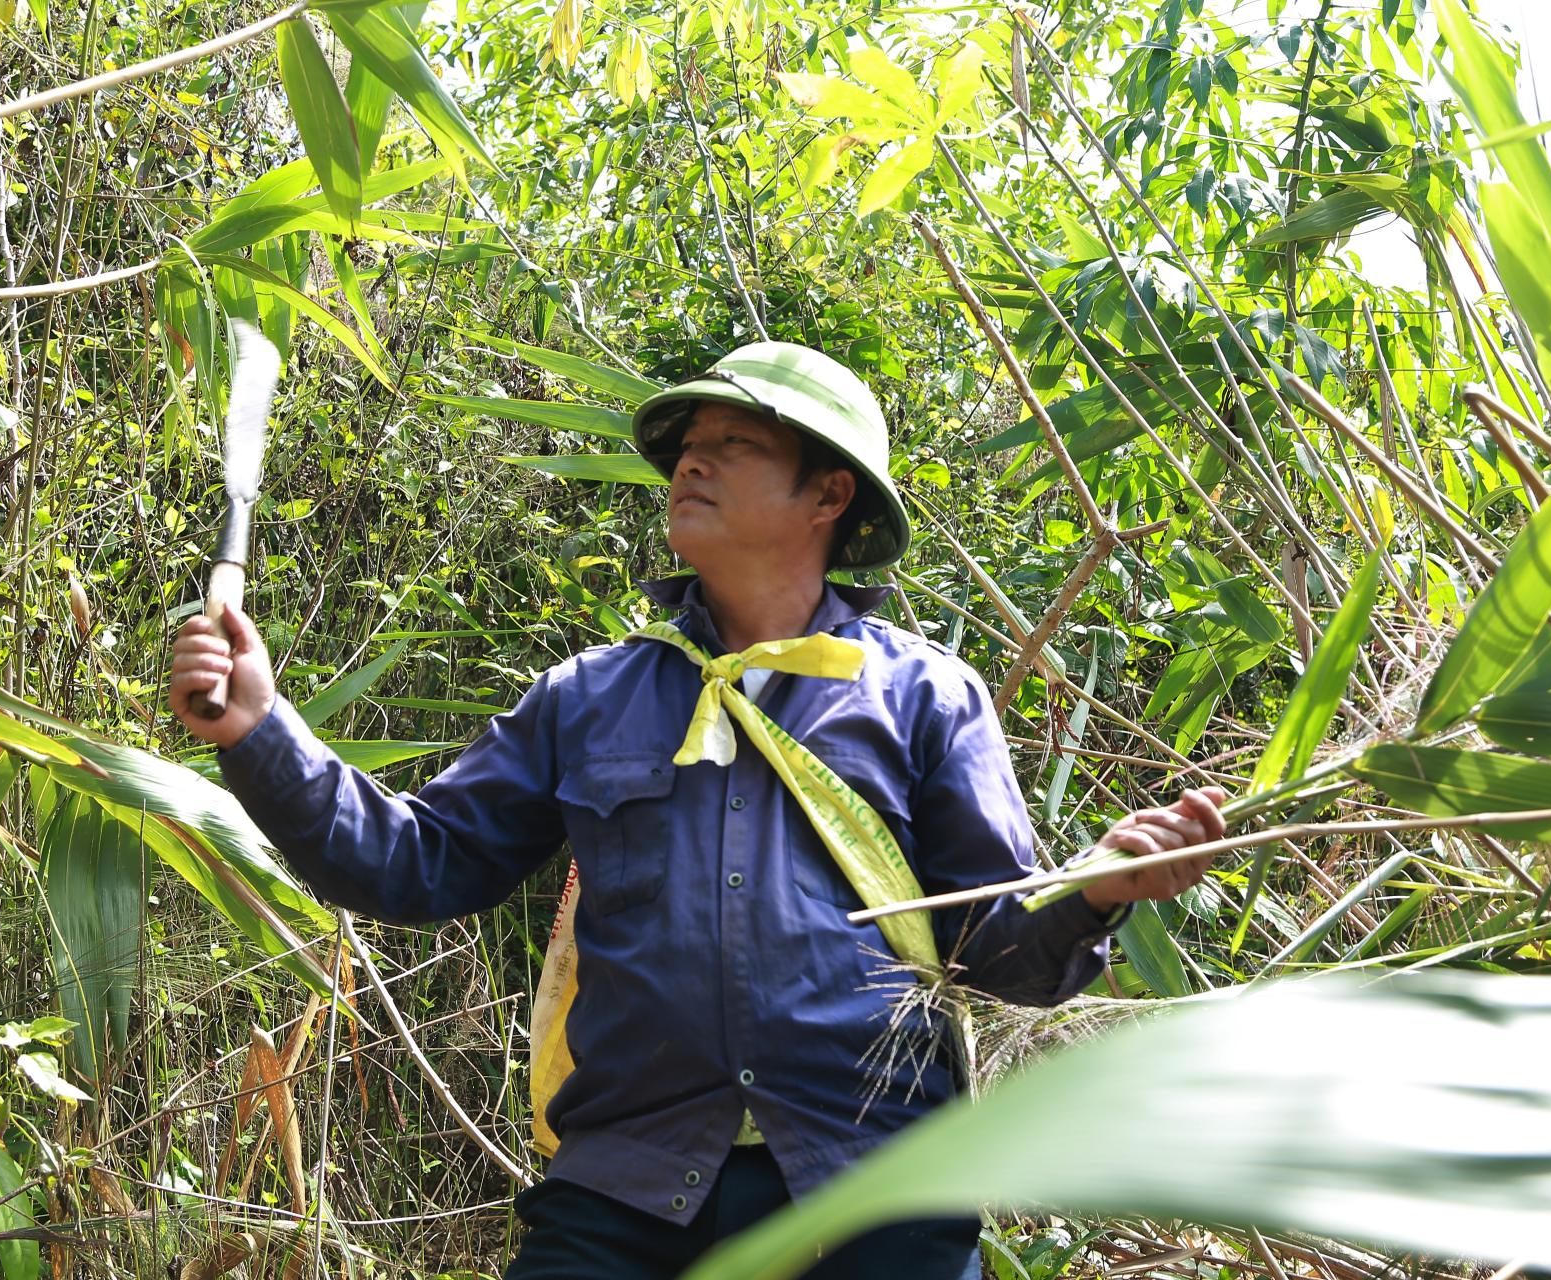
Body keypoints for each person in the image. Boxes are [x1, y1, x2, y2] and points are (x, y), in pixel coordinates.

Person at [168, 341, 1226, 1279]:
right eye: (686, 445)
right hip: (627, 1185)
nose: (691, 461)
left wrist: (1098, 892)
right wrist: (262, 729)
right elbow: (416, 864)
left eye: (734, 441)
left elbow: (995, 954)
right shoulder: (589, 697)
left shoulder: (924, 697)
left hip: (878, 1182)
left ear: (829, 495)